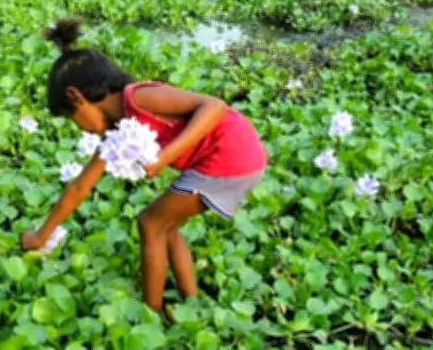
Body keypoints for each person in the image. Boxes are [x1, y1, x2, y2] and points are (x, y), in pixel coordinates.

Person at [19, 17, 268, 315]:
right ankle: (191, 303)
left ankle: (151, 313)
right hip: (228, 159)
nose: (80, 129)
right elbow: (80, 186)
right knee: (167, 226)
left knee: (149, 222)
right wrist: (42, 234)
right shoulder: (117, 129)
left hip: (231, 154)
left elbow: (213, 106)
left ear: (77, 96)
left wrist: (165, 156)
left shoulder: (138, 98)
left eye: (73, 118)